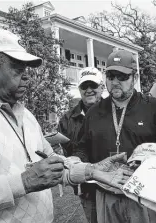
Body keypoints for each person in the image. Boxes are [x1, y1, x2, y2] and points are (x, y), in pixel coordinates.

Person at [0, 29, 132, 223]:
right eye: (18, 69)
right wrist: (23, 182)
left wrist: (92, 170)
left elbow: (55, 163)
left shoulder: (26, 115)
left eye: (26, 70)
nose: (27, 77)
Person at [73, 49, 156, 223]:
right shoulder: (94, 113)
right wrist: (77, 160)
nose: (115, 82)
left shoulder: (154, 107)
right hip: (107, 194)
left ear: (134, 78)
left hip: (145, 194)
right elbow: (83, 147)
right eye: (111, 76)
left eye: (122, 77)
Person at [58, 67, 104, 223]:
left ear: (102, 87)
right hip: (86, 187)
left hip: (112, 184)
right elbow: (65, 153)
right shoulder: (67, 119)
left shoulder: (114, 111)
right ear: (79, 89)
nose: (89, 90)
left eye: (93, 85)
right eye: (85, 86)